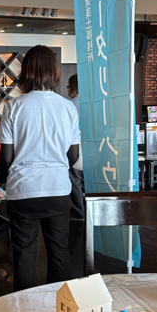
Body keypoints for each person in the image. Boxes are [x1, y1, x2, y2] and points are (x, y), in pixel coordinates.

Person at [0, 45, 80, 291]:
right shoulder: (67, 107)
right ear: (54, 71)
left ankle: (26, 310)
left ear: (26, 71)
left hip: (23, 190)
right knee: (59, 252)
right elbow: (73, 156)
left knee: (24, 255)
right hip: (58, 189)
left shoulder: (14, 106)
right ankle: (61, 308)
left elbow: (6, 158)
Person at [67, 74, 85, 220]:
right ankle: (89, 211)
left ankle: (78, 211)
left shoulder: (69, 104)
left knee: (74, 179)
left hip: (75, 146)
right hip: (91, 146)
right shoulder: (91, 103)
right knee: (86, 180)